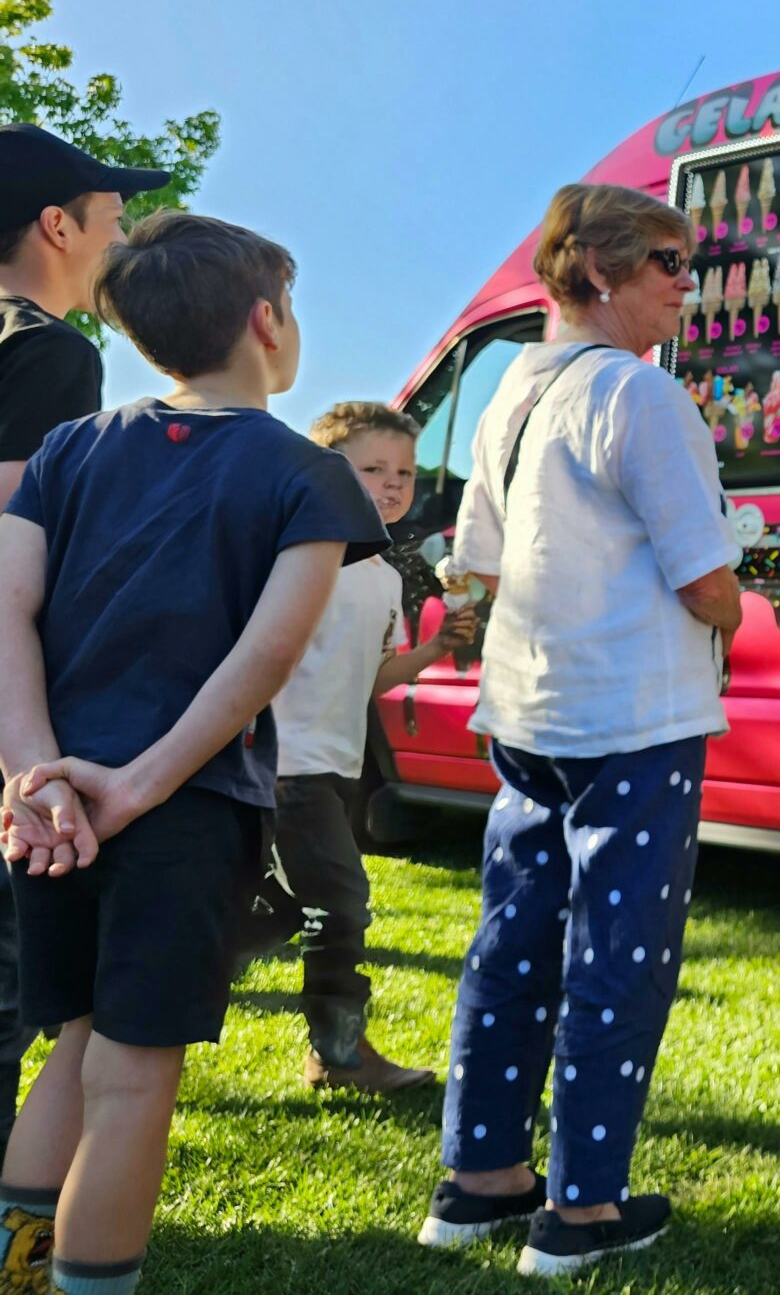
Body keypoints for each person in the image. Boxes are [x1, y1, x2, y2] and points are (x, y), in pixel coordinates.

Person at [0, 211, 387, 1294]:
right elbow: (262, 661)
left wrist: (34, 776)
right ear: (267, 322)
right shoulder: (305, 473)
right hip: (179, 807)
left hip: (54, 811)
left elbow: (5, 611)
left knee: (72, 1048)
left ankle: (19, 1277)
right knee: (132, 1082)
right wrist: (138, 787)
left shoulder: (71, 449)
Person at [418, 184, 742, 1277]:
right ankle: (581, 1209)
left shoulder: (512, 386)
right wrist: (740, 608)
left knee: (512, 941)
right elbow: (703, 576)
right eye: (666, 261)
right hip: (633, 716)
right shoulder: (642, 399)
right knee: (619, 958)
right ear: (597, 271)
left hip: (528, 709)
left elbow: (481, 561)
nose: (683, 284)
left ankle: (478, 1179)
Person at [0, 124, 170, 1162]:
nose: (119, 239)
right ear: (56, 225)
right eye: (111, 219)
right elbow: (9, 562)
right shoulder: (49, 350)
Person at [263, 401, 478, 1093]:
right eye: (373, 469)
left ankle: (152, 996)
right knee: (341, 900)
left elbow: (369, 675)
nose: (393, 484)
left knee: (277, 908)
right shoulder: (297, 556)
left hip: (335, 765)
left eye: (406, 473)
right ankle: (338, 1056)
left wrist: (437, 649)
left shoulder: (384, 576)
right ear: (327, 473)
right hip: (284, 763)